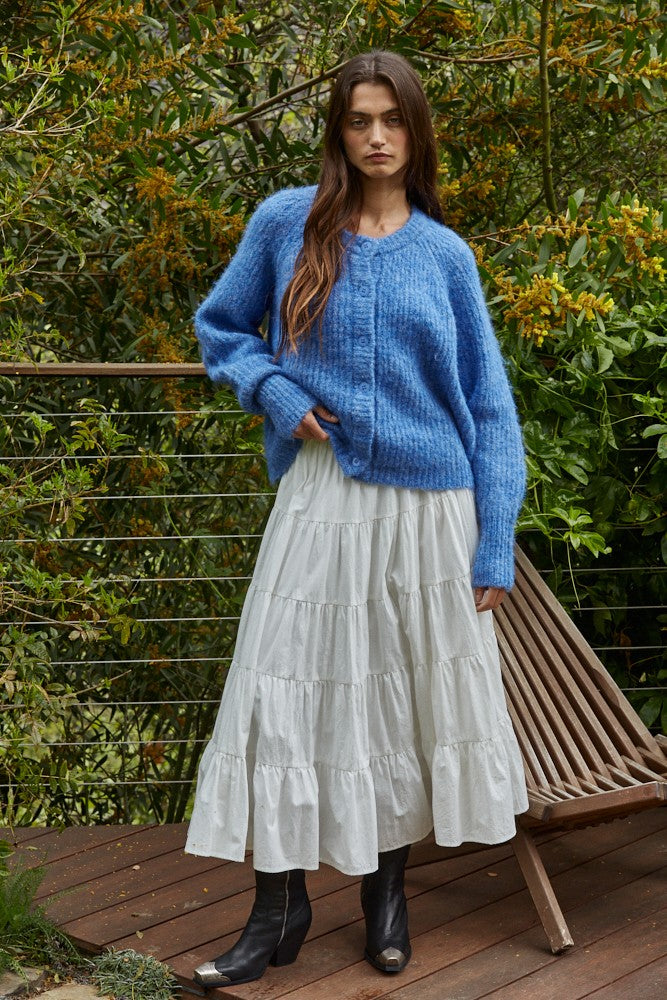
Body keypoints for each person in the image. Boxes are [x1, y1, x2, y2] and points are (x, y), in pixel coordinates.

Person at [184, 48, 529, 989]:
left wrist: (494, 540)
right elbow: (222, 329)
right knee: (280, 688)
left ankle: (386, 898)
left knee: (396, 702)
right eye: (358, 120)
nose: (377, 137)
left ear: (416, 132)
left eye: (393, 120)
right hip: (322, 492)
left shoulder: (445, 255)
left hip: (430, 512)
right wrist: (272, 389)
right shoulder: (285, 223)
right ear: (337, 130)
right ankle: (277, 907)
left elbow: (489, 407)